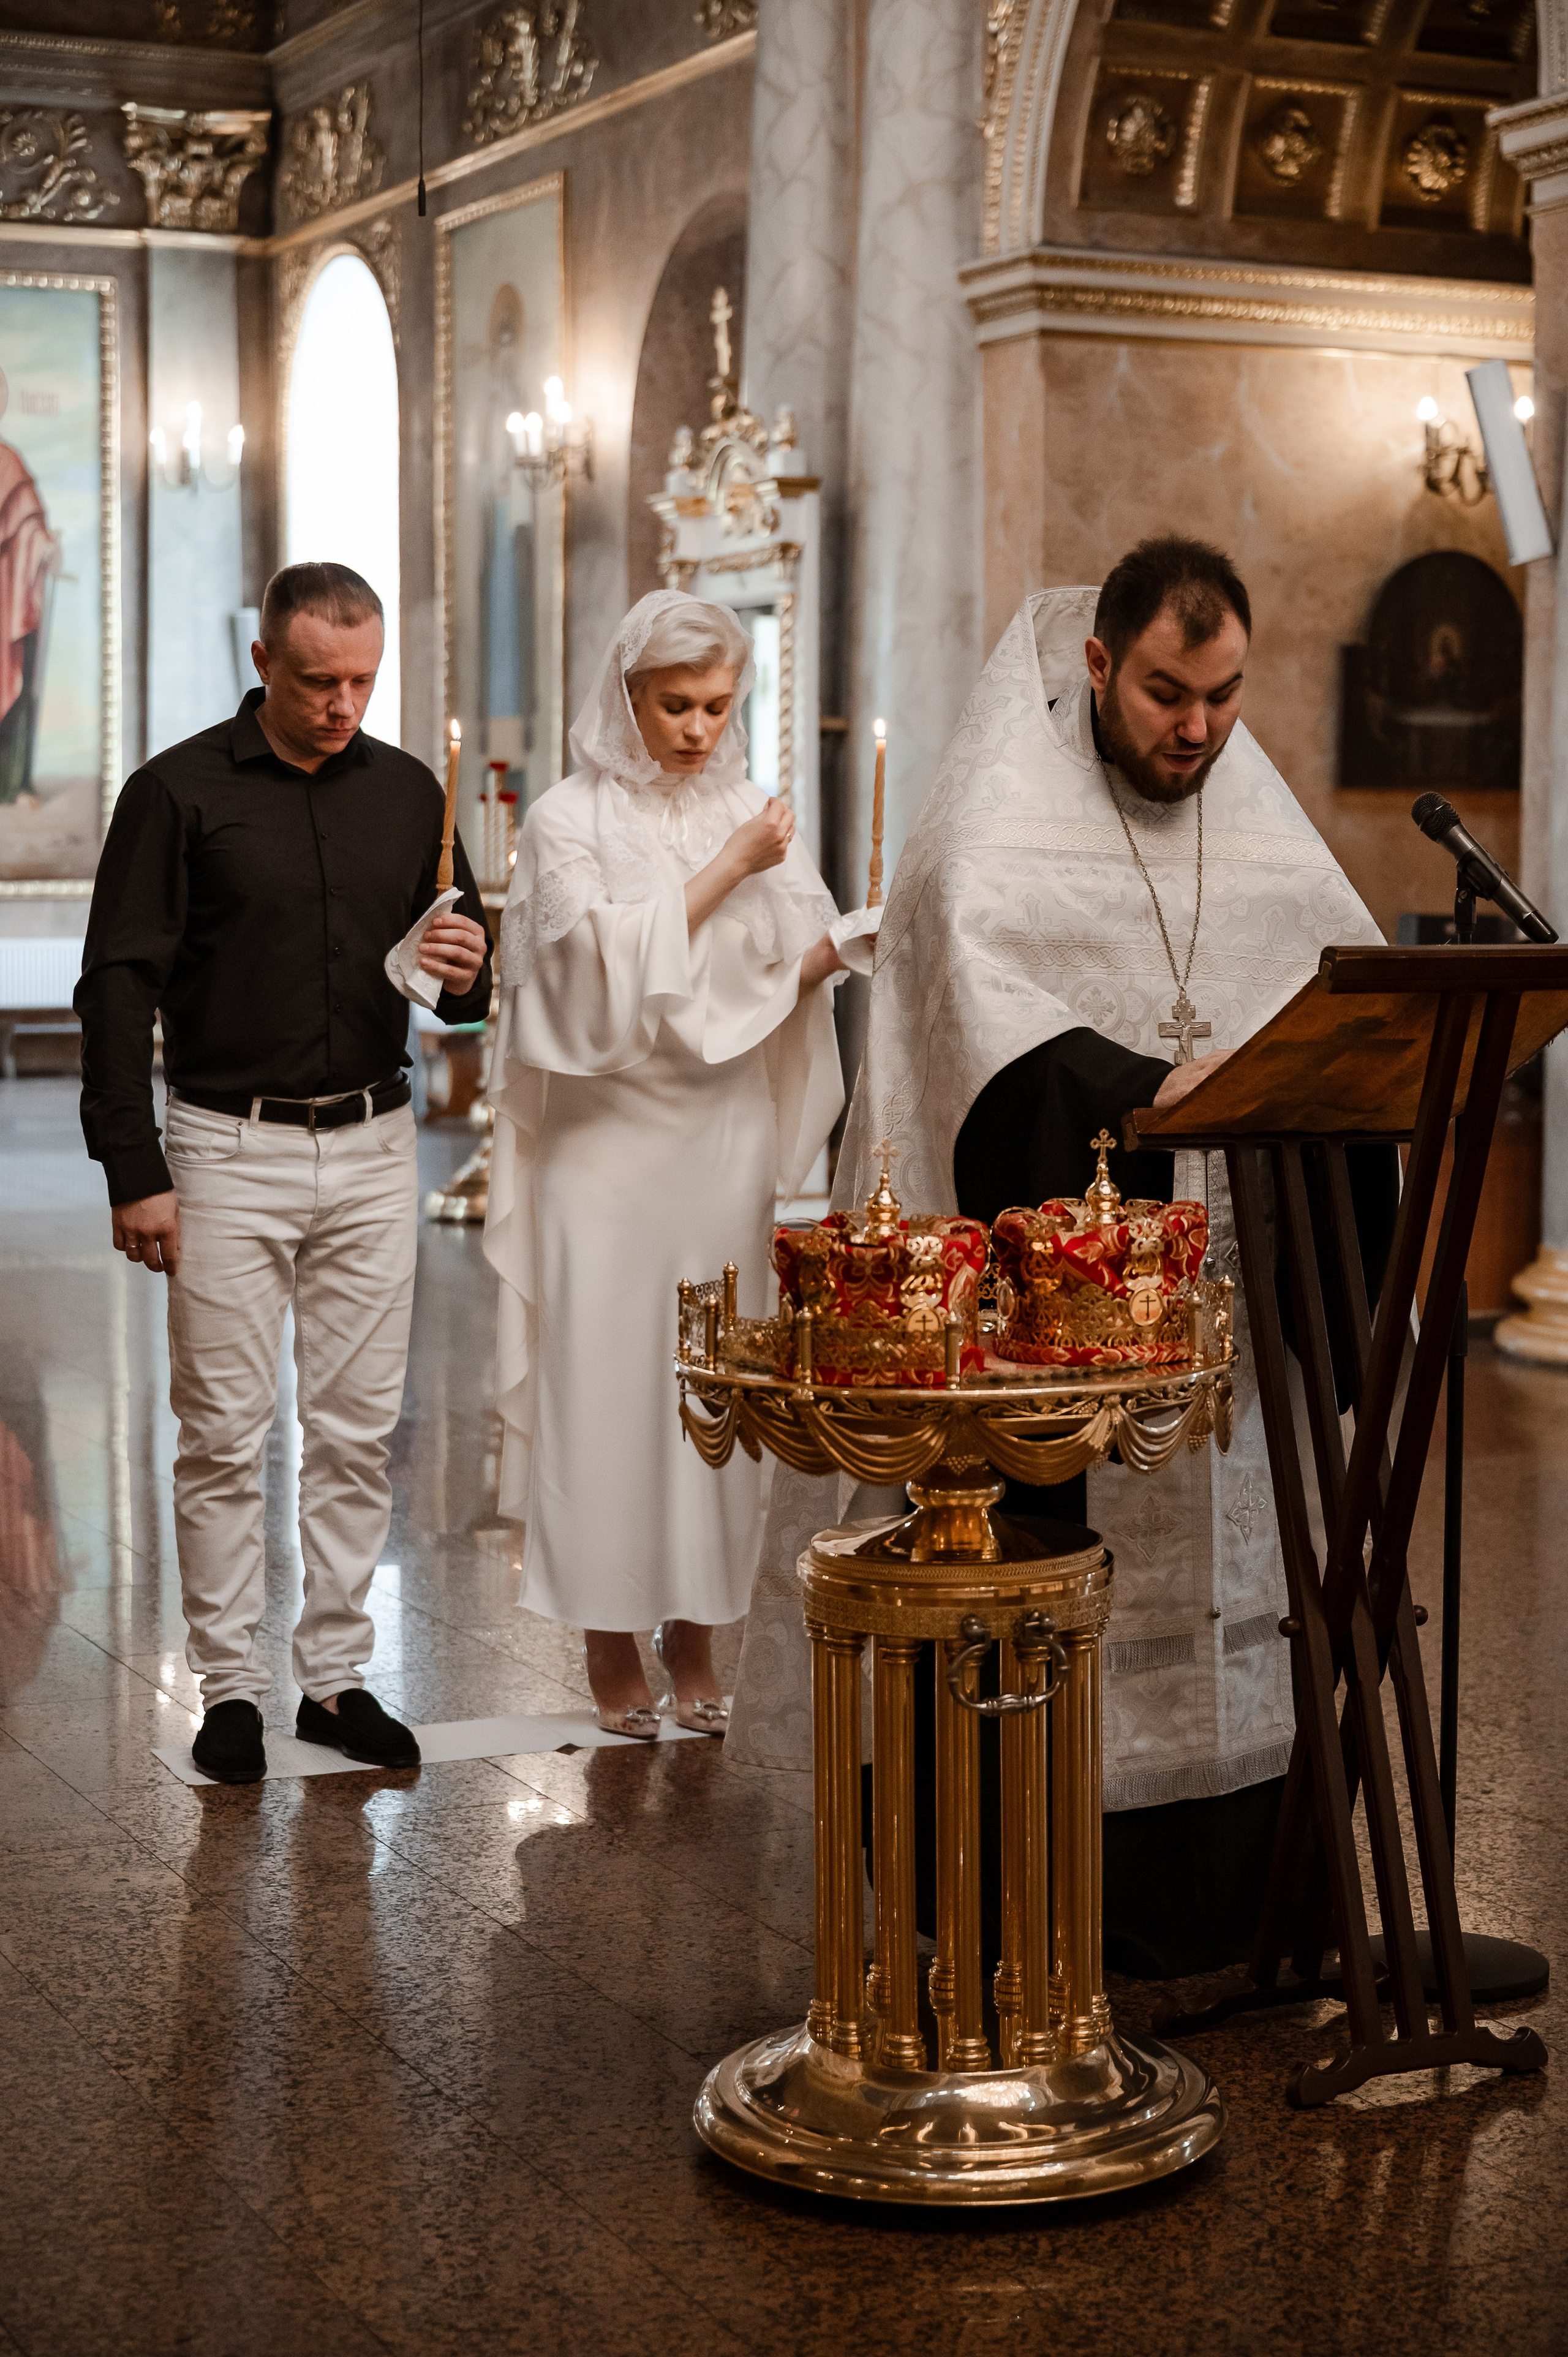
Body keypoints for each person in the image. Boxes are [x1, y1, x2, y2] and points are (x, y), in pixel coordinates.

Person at [728, 536, 1395, 1976]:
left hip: (1241, 1299)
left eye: (1221, 697)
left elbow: (1333, 977)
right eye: (1165, 692)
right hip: (1064, 1305)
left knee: (1246, 1582)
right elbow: (974, 1013)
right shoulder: (988, 833)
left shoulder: (1263, 829)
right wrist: (1128, 1091)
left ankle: (1261, 1905)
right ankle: (1028, 1904)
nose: (1197, 730)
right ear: (1096, 662)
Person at [74, 561, 492, 1784]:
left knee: (359, 1431)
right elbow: (115, 987)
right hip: (222, 1144)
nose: (341, 703)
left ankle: (335, 1678)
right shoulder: (177, 793)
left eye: (362, 681)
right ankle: (228, 1689)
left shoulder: (414, 790)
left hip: (371, 1142)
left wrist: (470, 973)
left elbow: (456, 982)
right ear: (262, 662)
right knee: (221, 1433)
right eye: (317, 681)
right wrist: (130, 1167)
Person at [484, 590, 870, 1736]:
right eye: (675, 703)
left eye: (718, 704)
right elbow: (592, 986)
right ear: (626, 695)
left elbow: (767, 980)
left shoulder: (752, 809)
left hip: (718, 1138)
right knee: (607, 1390)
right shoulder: (564, 820)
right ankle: (611, 1653)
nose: (700, 727)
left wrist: (837, 951)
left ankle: (698, 1642)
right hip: (605, 1144)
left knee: (716, 1396)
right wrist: (728, 867)